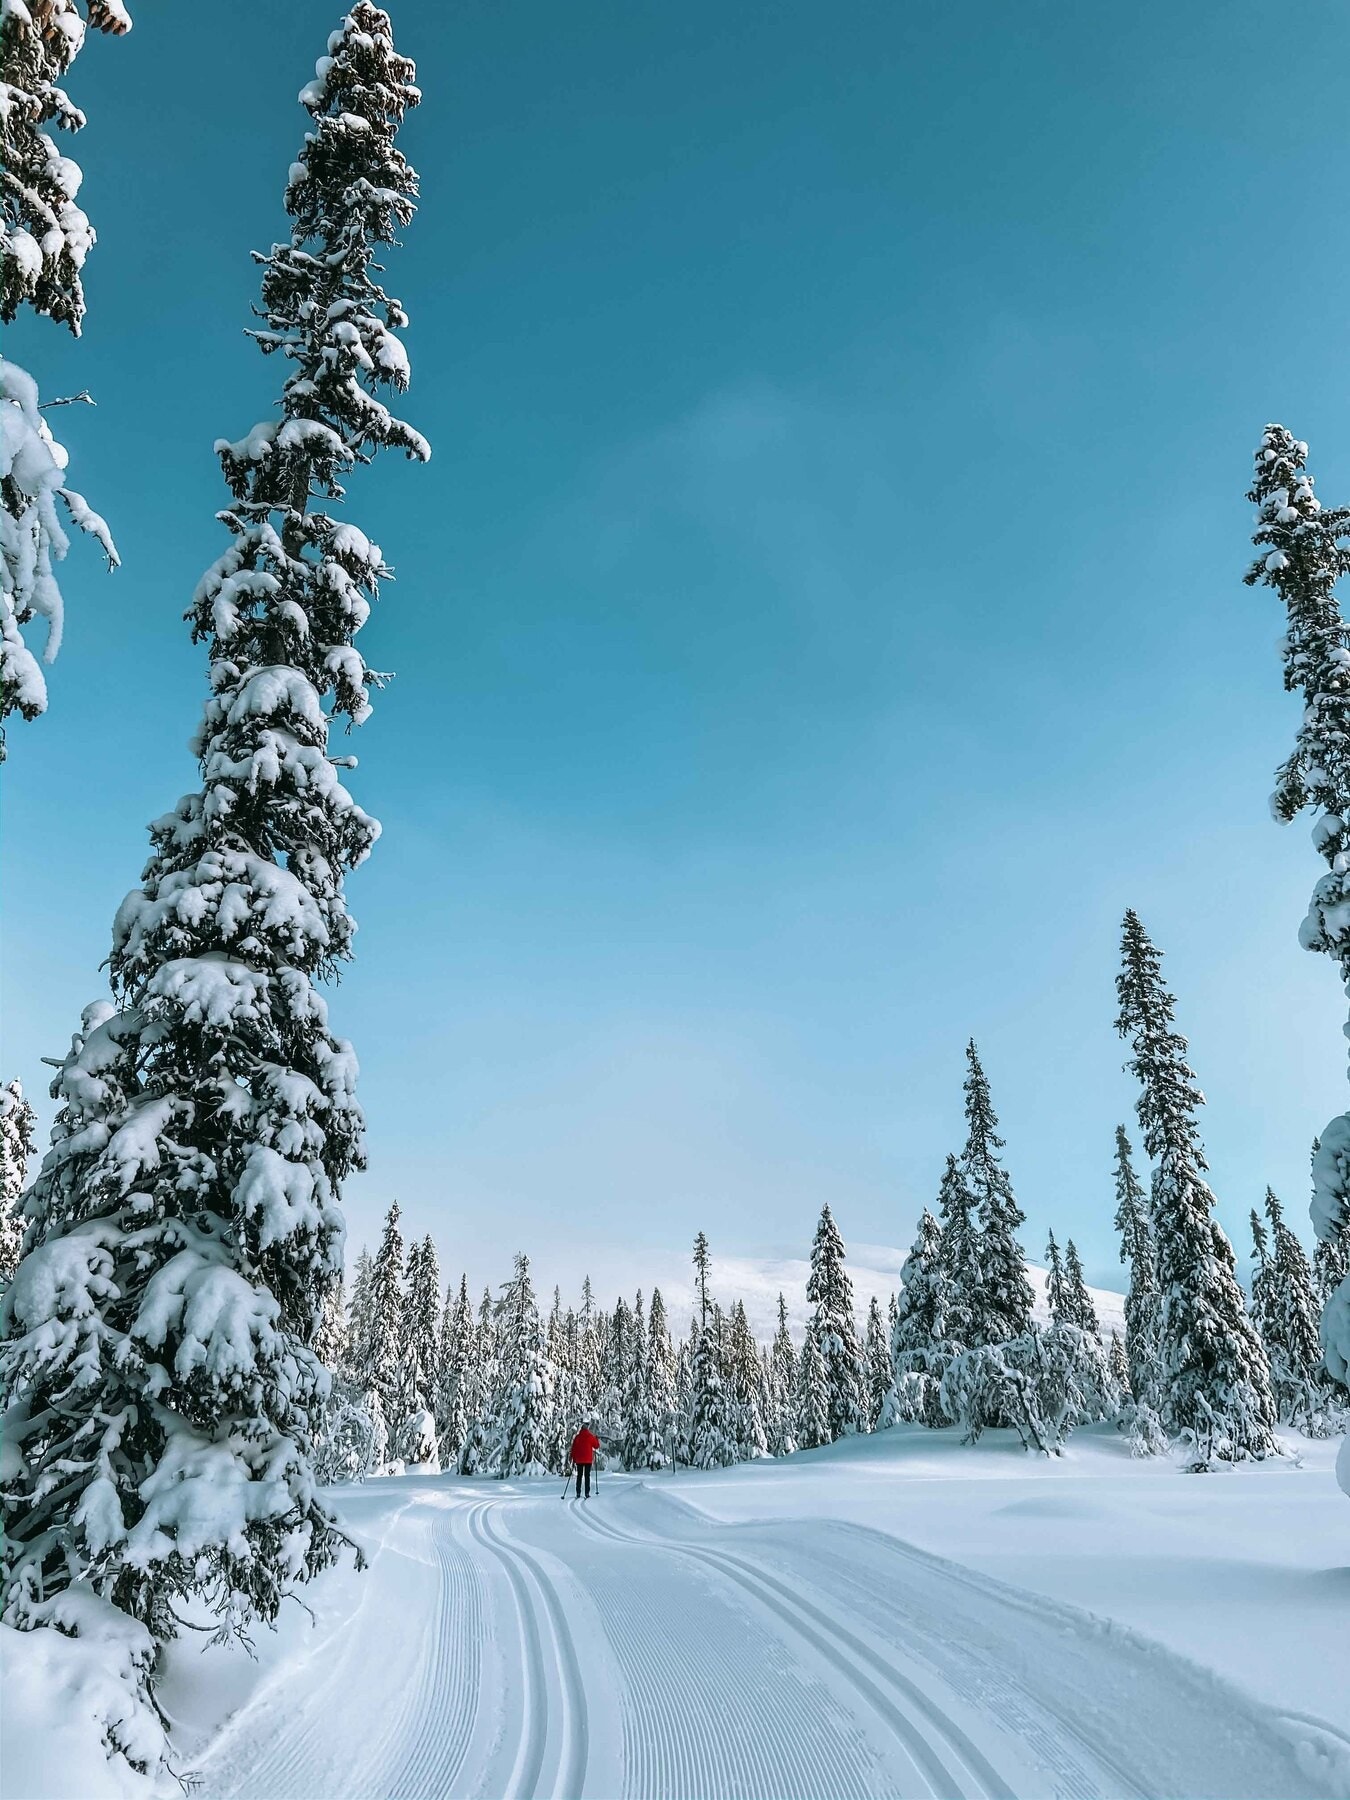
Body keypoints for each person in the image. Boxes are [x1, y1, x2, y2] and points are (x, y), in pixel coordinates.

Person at [569, 1420, 600, 1498]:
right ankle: (587, 1493)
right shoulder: (590, 1436)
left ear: (581, 1429)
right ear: (587, 1429)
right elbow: (596, 1446)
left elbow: (574, 1449)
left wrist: (572, 1458)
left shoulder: (577, 1437)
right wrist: (596, 1439)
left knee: (579, 1476)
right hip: (588, 1460)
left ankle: (578, 1492)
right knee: (587, 1476)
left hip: (579, 1460)